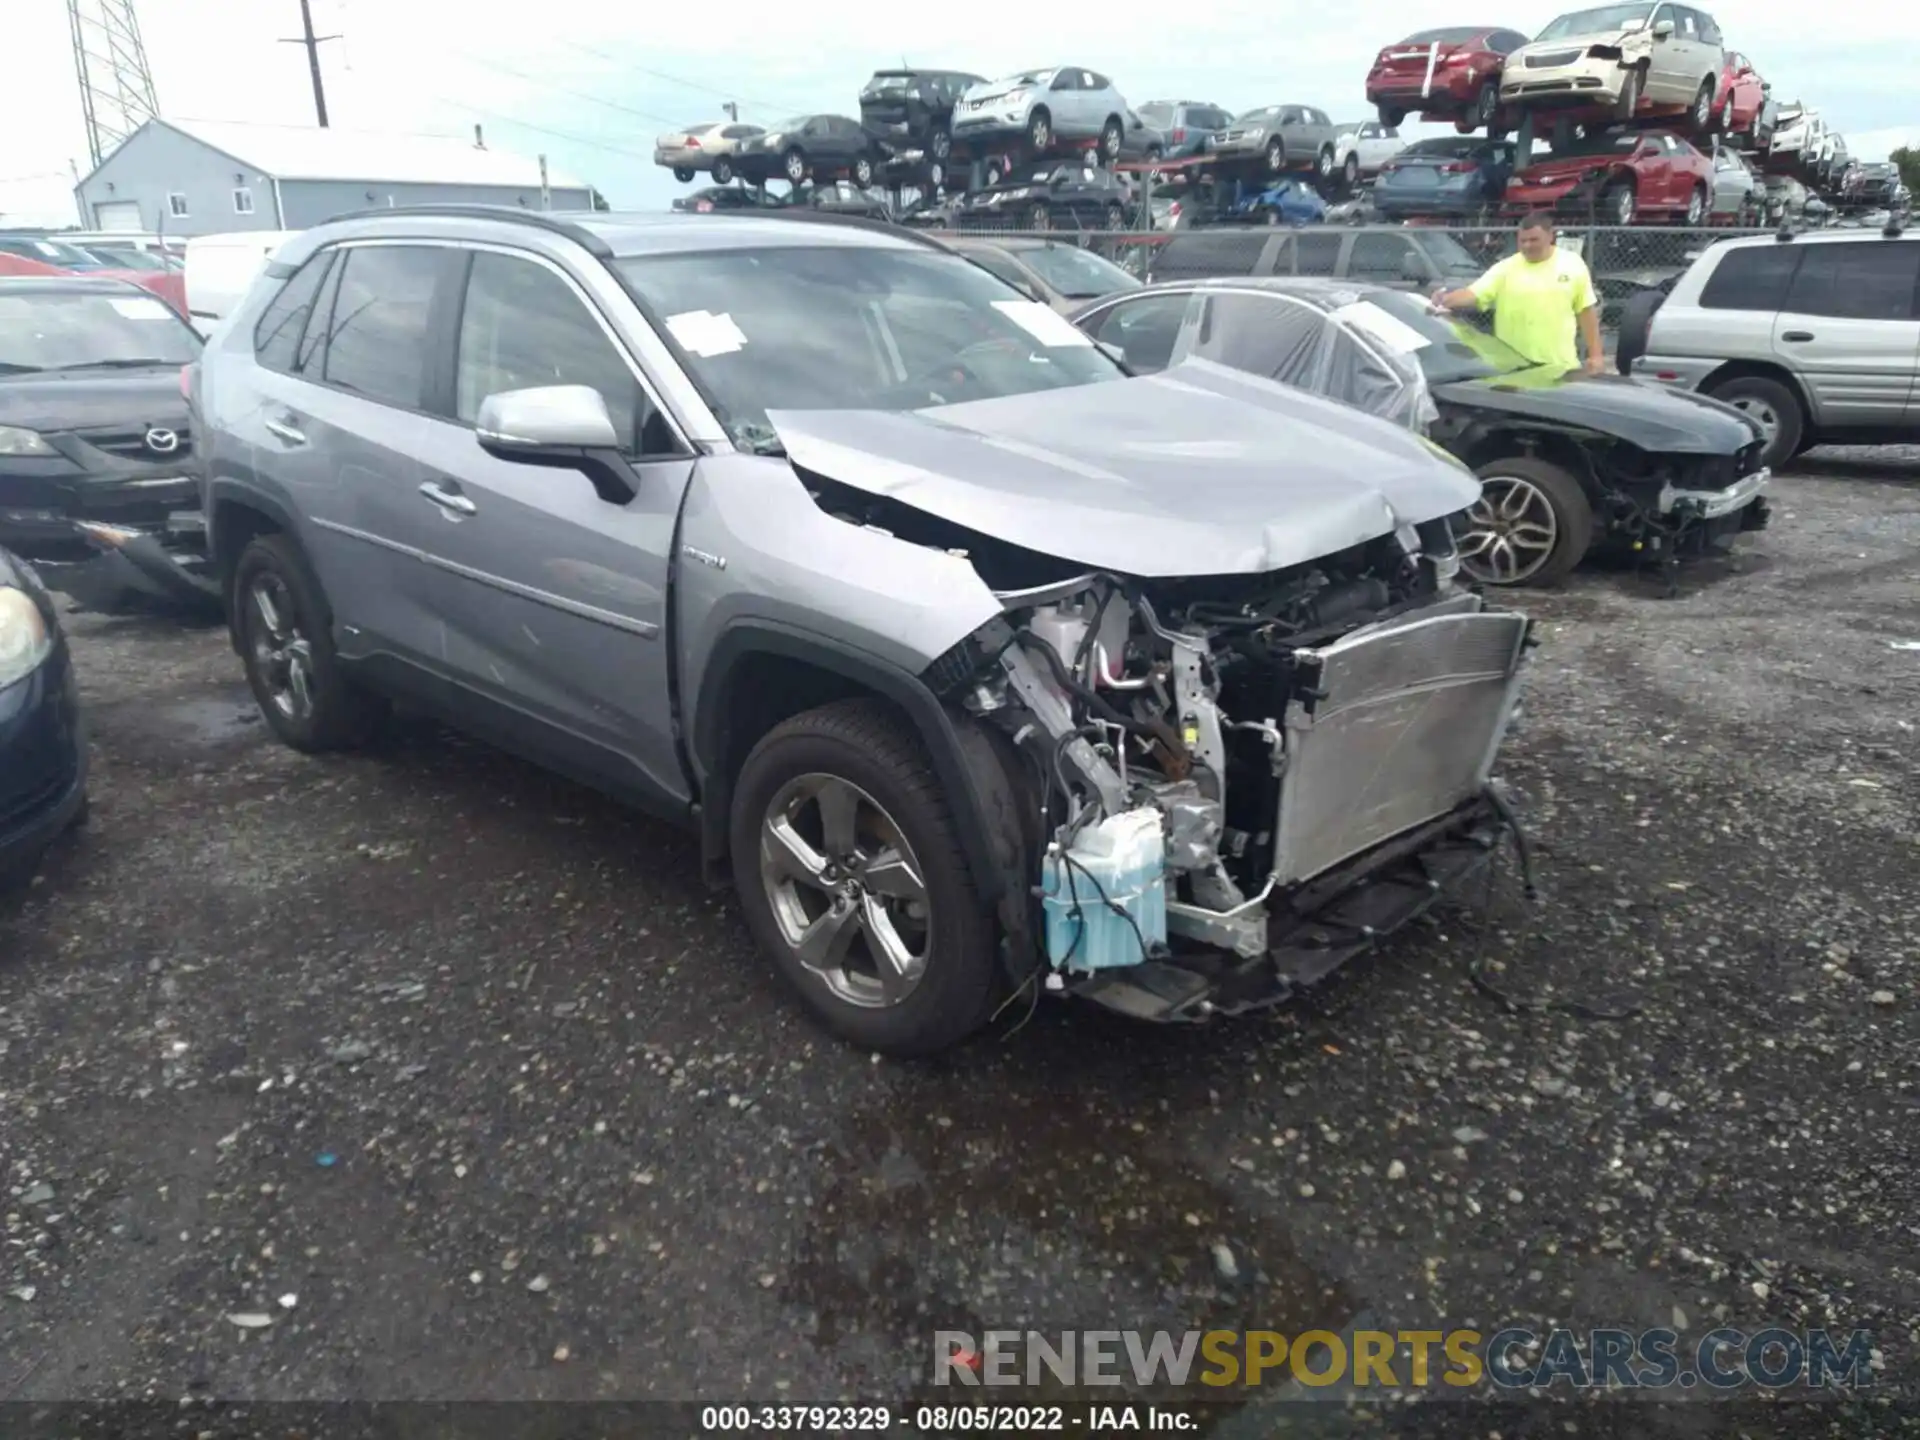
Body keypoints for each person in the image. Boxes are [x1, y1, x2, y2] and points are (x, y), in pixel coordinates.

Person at [1431, 211, 1605, 377]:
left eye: (1534, 240)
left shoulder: (1573, 264)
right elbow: (1473, 294)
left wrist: (1596, 355)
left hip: (1561, 368)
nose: (1527, 246)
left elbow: (1586, 312)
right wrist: (1446, 300)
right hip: (1514, 370)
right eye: (1523, 241)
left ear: (1550, 236)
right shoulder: (1505, 268)